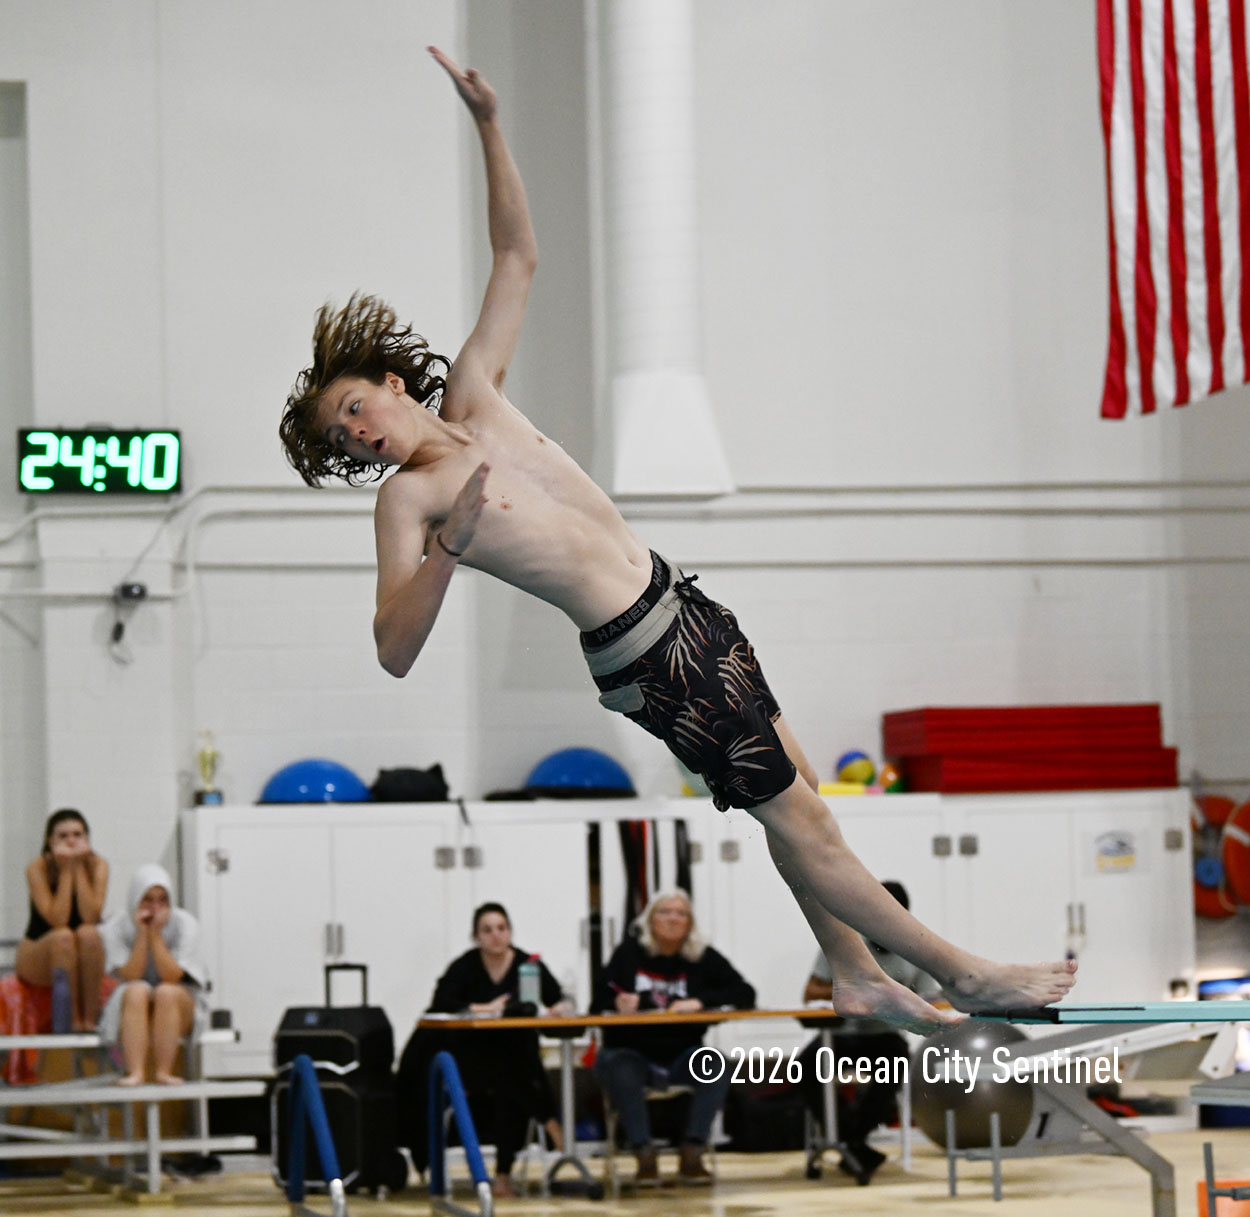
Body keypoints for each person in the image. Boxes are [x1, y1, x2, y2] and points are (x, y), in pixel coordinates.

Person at [277, 45, 1077, 1036]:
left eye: (354, 407)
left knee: (800, 794)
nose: (356, 434)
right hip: (647, 655)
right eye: (341, 438)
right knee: (802, 818)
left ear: (391, 383)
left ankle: (855, 969)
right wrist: (449, 549)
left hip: (683, 604)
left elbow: (518, 256)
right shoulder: (408, 503)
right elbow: (392, 648)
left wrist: (488, 123)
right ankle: (967, 972)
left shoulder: (475, 392)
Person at [395, 902, 566, 1199]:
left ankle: (504, 1173)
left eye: (501, 928)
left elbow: (557, 998)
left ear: (510, 931)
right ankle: (547, 1118)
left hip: (514, 1056)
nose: (496, 935)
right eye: (487, 930)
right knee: (513, 1077)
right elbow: (441, 1001)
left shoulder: (528, 965)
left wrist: (560, 1008)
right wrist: (483, 1008)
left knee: (510, 1078)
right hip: (471, 1059)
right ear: (476, 936)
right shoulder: (466, 965)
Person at [592, 888, 752, 1184]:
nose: (673, 919)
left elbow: (745, 993)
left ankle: (693, 1149)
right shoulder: (629, 953)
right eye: (665, 912)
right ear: (650, 920)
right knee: (621, 1066)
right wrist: (616, 1002)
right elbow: (597, 1000)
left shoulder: (701, 956)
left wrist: (700, 1002)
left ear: (690, 922)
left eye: (681, 913)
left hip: (682, 1054)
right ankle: (643, 1152)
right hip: (630, 1052)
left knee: (716, 1064)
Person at [797, 880, 937, 1186]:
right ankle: (853, 1142)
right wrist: (855, 990)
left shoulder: (917, 949)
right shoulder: (842, 940)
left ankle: (849, 1140)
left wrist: (902, 999)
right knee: (805, 1066)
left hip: (884, 1035)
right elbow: (811, 992)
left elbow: (931, 996)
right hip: (842, 1033)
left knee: (895, 1065)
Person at [98, 865, 207, 1086]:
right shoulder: (115, 927)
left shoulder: (185, 924)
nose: (155, 908)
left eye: (162, 900)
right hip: (133, 1005)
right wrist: (142, 934)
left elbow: (172, 976)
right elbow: (131, 975)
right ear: (135, 899)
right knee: (137, 990)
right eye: (147, 900)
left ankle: (163, 1071)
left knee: (166, 992)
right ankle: (136, 1072)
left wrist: (155, 935)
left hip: (177, 1002)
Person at [16, 809, 109, 1031]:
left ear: (87, 839)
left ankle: (90, 1020)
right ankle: (71, 1020)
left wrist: (78, 869)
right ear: (50, 841)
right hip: (39, 948)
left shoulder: (98, 865)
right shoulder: (37, 868)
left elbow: (91, 917)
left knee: (89, 934)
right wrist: (67, 871)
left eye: (77, 835)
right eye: (63, 836)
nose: (71, 841)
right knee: (63, 937)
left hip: (80, 950)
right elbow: (58, 920)